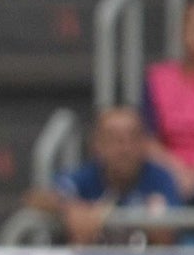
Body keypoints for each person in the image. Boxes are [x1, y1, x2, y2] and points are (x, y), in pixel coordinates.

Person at [24, 106, 181, 247]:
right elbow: (37, 197)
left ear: (145, 143)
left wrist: (149, 222)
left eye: (132, 138)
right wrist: (71, 209)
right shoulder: (87, 176)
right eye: (114, 139)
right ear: (97, 144)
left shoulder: (160, 178)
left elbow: (168, 234)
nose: (124, 149)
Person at [144, 0, 194, 205]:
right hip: (169, 174)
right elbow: (146, 138)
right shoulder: (158, 78)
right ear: (181, 32)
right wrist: (177, 171)